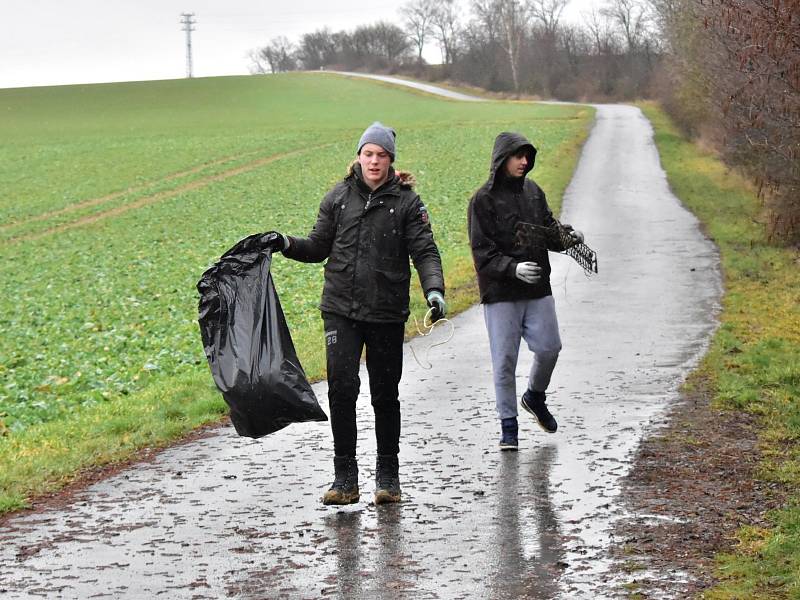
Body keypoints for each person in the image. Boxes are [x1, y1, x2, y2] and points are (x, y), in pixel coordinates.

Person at [263, 122, 446, 505]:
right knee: (342, 390)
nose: (374, 161)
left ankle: (388, 477)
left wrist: (434, 290)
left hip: (386, 311)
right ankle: (345, 478)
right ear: (359, 156)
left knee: (384, 393)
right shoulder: (338, 198)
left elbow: (425, 252)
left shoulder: (408, 204)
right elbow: (317, 247)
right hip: (340, 309)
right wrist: (284, 243)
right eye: (368, 153)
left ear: (391, 160)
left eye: (381, 155)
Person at [467, 131, 584, 451]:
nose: (524, 162)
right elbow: (482, 252)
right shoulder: (482, 200)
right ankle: (508, 426)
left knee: (550, 348)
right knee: (504, 360)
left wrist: (568, 238)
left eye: (527, 157)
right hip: (501, 292)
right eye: (518, 156)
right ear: (501, 159)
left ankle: (534, 396)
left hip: (537, 289)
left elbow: (548, 232)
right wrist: (511, 268)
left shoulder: (534, 192)